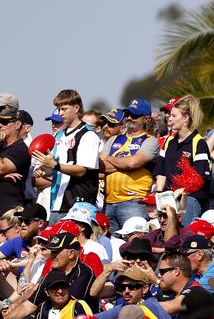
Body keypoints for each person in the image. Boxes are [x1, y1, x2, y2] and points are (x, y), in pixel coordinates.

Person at [33, 89, 102, 220]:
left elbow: (82, 170)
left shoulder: (88, 135)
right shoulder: (58, 135)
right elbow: (55, 166)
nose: (60, 113)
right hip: (57, 203)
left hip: (79, 205)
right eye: (59, 109)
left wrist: (54, 165)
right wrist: (44, 170)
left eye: (64, 109)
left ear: (76, 108)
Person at [100, 99, 158, 232]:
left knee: (133, 245)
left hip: (134, 201)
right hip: (109, 202)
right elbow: (100, 166)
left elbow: (134, 162)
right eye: (128, 114)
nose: (130, 118)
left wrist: (111, 159)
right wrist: (124, 163)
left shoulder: (150, 141)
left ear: (145, 119)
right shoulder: (113, 139)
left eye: (135, 115)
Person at [154, 94, 212, 227]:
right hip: (169, 199)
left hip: (190, 199)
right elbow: (161, 171)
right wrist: (159, 195)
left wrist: (181, 191)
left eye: (174, 115)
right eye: (170, 115)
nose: (170, 118)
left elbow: (200, 176)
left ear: (185, 118)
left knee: (185, 238)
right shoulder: (169, 140)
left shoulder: (198, 143)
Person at [0, 107, 29, 215]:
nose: (0, 125)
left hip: (8, 211)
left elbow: (1, 168)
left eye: (4, 122)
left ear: (17, 125)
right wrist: (2, 177)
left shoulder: (21, 149)